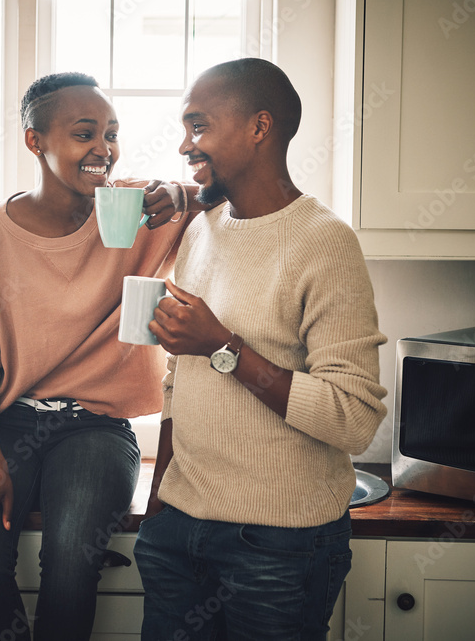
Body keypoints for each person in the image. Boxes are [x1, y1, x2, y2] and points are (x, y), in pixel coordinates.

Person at [0, 71, 207, 641]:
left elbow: (244, 186)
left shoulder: (141, 209)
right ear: (36, 141)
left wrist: (184, 193)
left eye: (111, 134)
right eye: (85, 134)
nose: (104, 150)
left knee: (71, 564)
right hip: (4, 421)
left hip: (97, 427)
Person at [133, 58, 388, 640]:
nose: (183, 144)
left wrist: (222, 345)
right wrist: (159, 505)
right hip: (178, 532)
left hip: (278, 545)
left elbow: (354, 419)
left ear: (259, 127)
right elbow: (181, 379)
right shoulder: (203, 229)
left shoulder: (325, 243)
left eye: (198, 126)